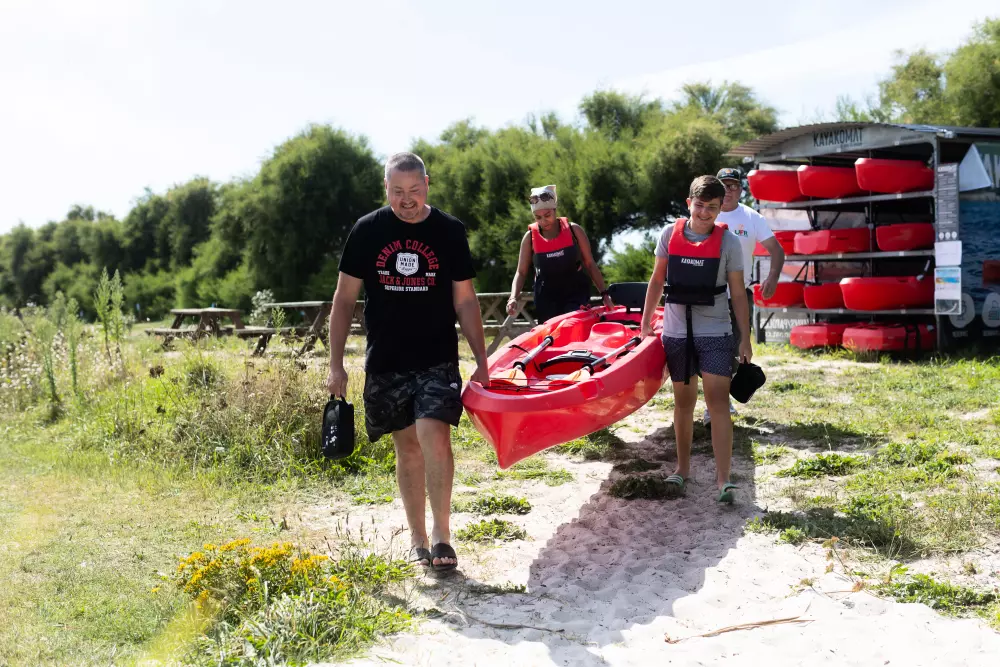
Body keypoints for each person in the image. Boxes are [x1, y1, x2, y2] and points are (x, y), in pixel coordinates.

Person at [326, 152, 489, 573]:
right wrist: (336, 364)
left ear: (427, 185)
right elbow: (344, 301)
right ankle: (416, 536)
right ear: (386, 189)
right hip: (387, 359)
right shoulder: (367, 230)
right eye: (397, 191)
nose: (407, 200)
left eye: (414, 191)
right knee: (408, 448)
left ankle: (441, 535)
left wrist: (482, 359)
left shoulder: (449, 231)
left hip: (437, 357)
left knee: (435, 437)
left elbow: (466, 299)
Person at [640, 175, 752, 504]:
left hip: (716, 332)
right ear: (689, 203)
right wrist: (646, 323)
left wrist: (744, 337)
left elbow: (738, 293)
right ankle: (682, 470)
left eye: (712, 208)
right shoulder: (667, 235)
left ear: (721, 210)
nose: (704, 213)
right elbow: (657, 280)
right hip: (677, 333)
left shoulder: (729, 243)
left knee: (718, 404)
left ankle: (723, 480)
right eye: (700, 206)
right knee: (684, 404)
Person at [705, 167, 786, 427]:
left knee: (736, 347)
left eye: (733, 185)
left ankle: (722, 400)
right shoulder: (705, 214)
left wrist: (772, 277)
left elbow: (777, 250)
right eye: (724, 185)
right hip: (706, 294)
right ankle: (714, 405)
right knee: (710, 349)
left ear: (741, 189)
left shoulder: (751, 217)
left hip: (739, 295)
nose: (728, 190)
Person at [506, 184, 614, 323]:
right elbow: (521, 272)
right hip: (546, 297)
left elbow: (589, 263)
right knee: (552, 337)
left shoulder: (574, 230)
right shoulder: (529, 238)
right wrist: (513, 297)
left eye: (547, 215)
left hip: (575, 292)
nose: (543, 221)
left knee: (573, 326)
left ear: (555, 209)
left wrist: (604, 294)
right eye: (538, 217)